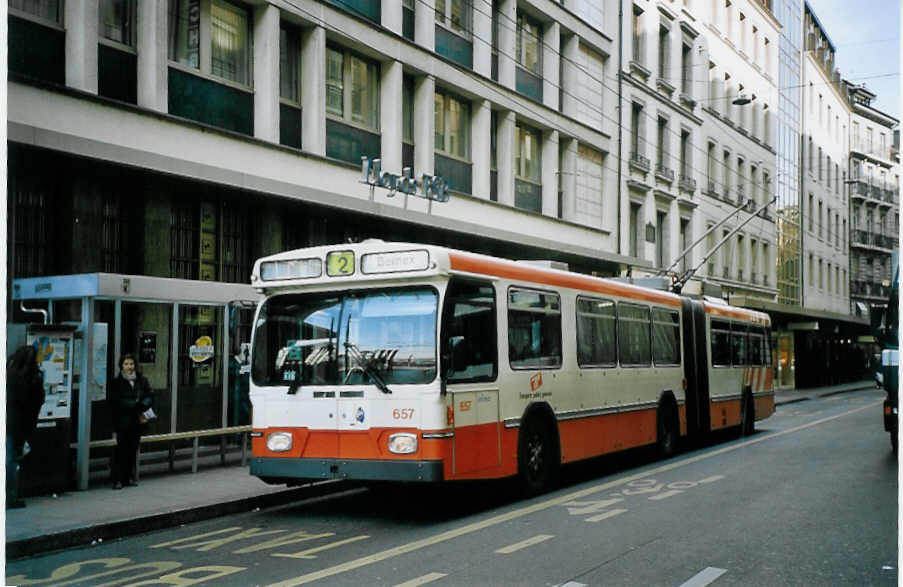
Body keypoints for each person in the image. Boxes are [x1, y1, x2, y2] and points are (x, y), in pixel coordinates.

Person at [6, 345, 45, 508]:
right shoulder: (31, 379)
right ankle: (11, 497)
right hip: (17, 426)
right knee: (11, 461)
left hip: (11, 424)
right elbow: (35, 403)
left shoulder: (9, 372)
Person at [108, 354, 153, 490]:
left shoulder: (142, 380)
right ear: (121, 366)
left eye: (131, 364)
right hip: (123, 421)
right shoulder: (117, 382)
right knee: (121, 450)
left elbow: (150, 395)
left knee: (133, 450)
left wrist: (142, 404)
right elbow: (116, 401)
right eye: (126, 364)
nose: (129, 367)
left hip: (137, 421)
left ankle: (127, 478)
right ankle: (117, 479)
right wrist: (134, 404)